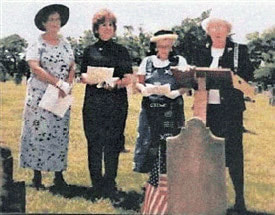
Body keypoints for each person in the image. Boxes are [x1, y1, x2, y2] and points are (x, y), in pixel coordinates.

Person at [194, 17, 254, 213]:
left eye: (221, 27)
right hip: (207, 109)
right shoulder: (202, 51)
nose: (217, 30)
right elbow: (196, 78)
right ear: (208, 31)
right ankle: (209, 197)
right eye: (213, 27)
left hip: (230, 111)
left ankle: (239, 199)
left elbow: (247, 77)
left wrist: (228, 77)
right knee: (209, 153)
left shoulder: (239, 51)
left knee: (234, 153)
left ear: (228, 30)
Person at [19, 4, 75, 190]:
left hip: (61, 96)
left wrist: (67, 85)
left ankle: (58, 176)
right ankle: (37, 177)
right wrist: (57, 83)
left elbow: (72, 65)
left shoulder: (66, 43)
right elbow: (35, 67)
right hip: (40, 96)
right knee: (38, 134)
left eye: (57, 19)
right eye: (51, 19)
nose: (55, 23)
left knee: (59, 134)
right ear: (44, 23)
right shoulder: (37, 44)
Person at [80, 9, 132, 198]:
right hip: (93, 103)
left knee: (112, 143)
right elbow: (82, 75)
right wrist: (91, 78)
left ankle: (110, 182)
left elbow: (128, 78)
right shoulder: (89, 50)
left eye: (111, 25)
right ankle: (96, 183)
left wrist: (115, 83)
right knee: (94, 142)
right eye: (103, 24)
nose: (107, 28)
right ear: (96, 28)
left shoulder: (122, 51)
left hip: (116, 103)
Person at [133, 30, 188, 189]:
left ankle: (168, 180)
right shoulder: (147, 61)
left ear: (172, 46)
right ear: (156, 46)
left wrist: (176, 93)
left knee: (170, 141)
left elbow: (186, 85)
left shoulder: (179, 61)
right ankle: (152, 179)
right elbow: (139, 82)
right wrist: (142, 89)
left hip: (171, 107)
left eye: (168, 46)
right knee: (150, 141)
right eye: (161, 46)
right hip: (151, 107)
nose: (165, 49)